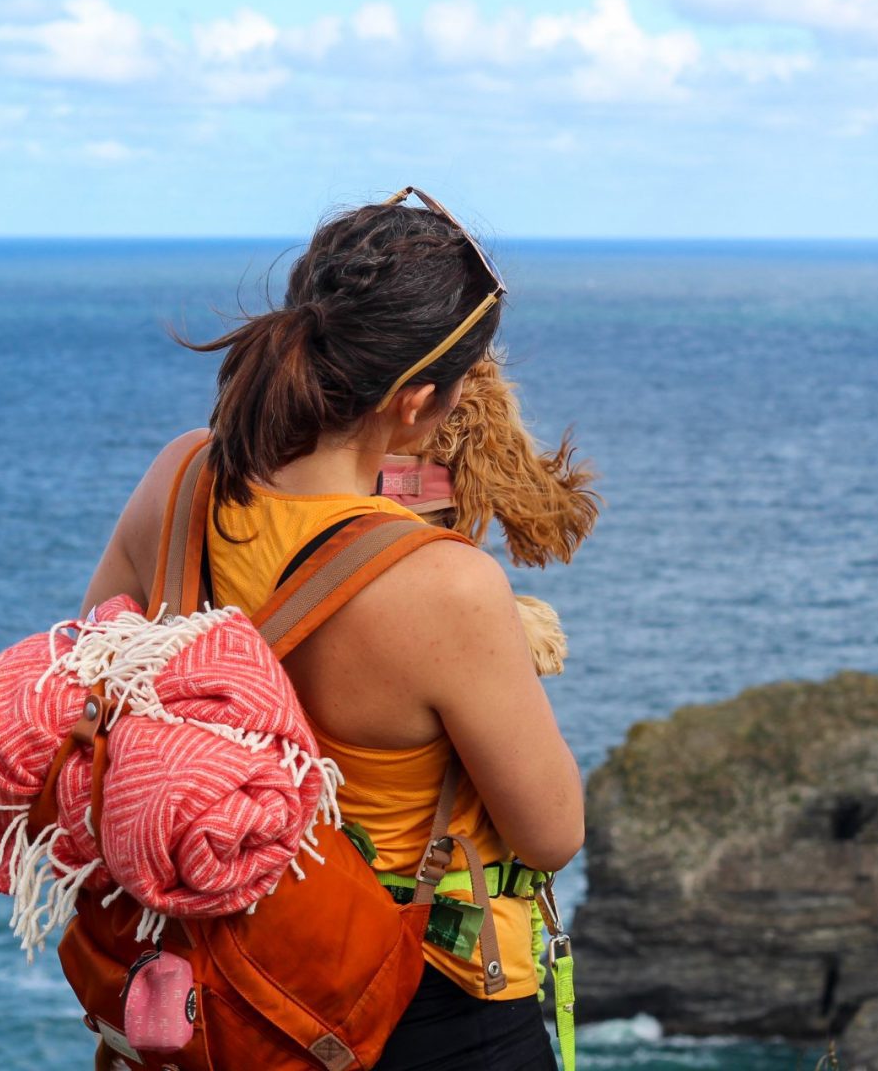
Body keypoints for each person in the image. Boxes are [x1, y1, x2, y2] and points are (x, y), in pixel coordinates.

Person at [79, 189, 584, 1071]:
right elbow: (550, 833)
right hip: (421, 998)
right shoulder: (447, 585)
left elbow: (96, 667)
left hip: (222, 989)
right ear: (420, 401)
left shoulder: (183, 476)